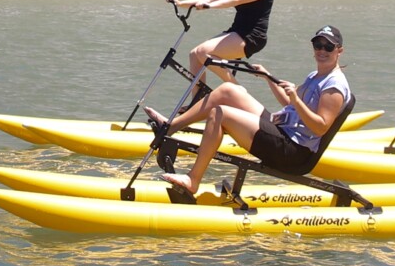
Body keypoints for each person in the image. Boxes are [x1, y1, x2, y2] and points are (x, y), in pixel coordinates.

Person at [148, 26, 353, 200]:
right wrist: (267, 77)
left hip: (293, 152)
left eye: (328, 46)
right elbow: (288, 102)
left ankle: (193, 180)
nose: (322, 50)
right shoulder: (316, 75)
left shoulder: (333, 86)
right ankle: (170, 128)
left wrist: (296, 100)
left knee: (220, 113)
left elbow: (320, 126)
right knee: (229, 90)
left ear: (339, 51)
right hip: (283, 129)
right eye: (318, 45)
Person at [165, 0, 274, 107]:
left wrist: (210, 7)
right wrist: (181, 3)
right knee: (194, 55)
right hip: (236, 31)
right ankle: (197, 103)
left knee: (204, 52)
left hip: (252, 36)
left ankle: (238, 91)